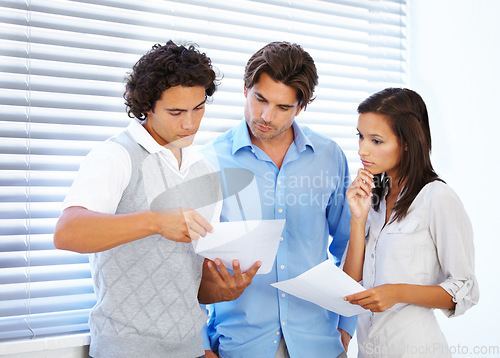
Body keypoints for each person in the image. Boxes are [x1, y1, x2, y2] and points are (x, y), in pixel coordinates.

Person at [53, 40, 258, 358]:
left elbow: (194, 285)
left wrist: (223, 290)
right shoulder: (116, 155)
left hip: (189, 350)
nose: (190, 123)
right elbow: (67, 233)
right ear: (146, 106)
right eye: (176, 112)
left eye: (198, 108)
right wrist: (154, 221)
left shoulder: (204, 171)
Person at [201, 41, 355, 358]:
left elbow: (349, 244)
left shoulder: (329, 156)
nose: (267, 116)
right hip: (241, 346)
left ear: (301, 107)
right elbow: (184, 265)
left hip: (321, 345)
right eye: (260, 99)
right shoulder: (209, 161)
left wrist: (346, 326)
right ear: (246, 89)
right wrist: (202, 346)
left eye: (283, 107)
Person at [343, 88, 479, 357]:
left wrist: (397, 292)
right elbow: (350, 282)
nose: (362, 149)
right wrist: (357, 220)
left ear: (406, 142)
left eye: (376, 141)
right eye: (360, 136)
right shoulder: (374, 199)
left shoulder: (437, 198)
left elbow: (466, 288)